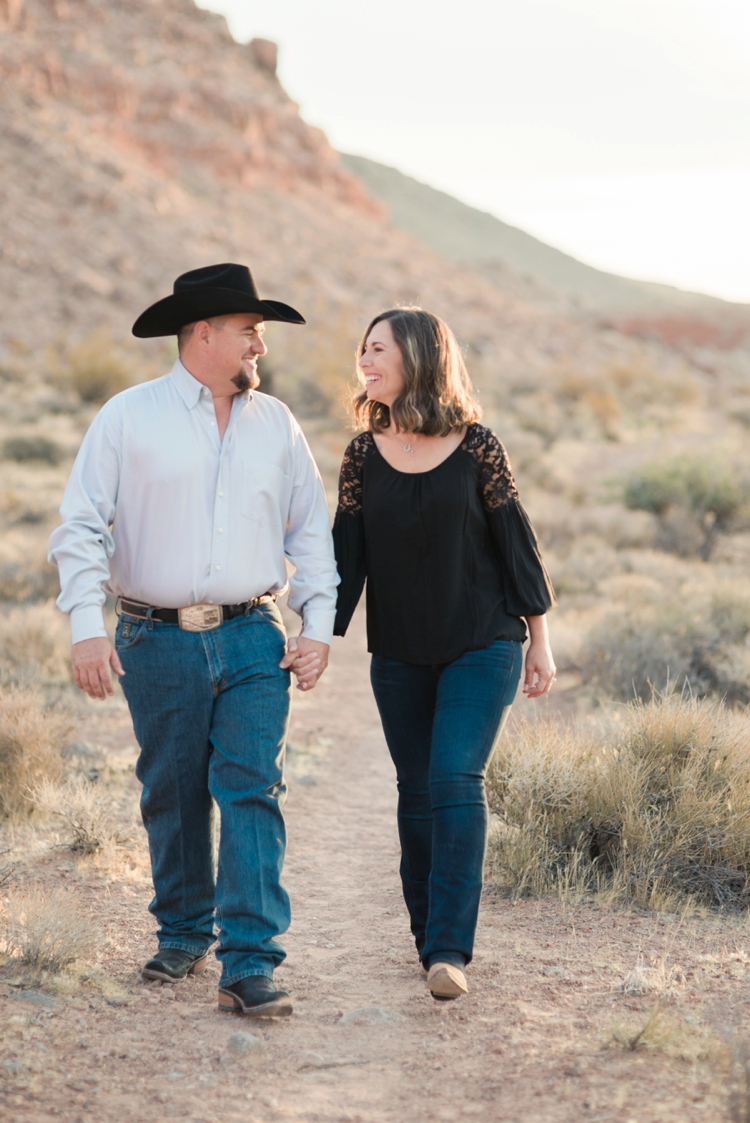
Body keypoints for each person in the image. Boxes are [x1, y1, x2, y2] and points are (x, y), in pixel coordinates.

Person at [48, 263, 338, 1018]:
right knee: (171, 794)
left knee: (252, 789)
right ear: (203, 333)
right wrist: (86, 628)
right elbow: (79, 526)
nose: (259, 349)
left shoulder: (277, 424)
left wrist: (317, 624)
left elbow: (311, 529)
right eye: (250, 333)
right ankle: (183, 928)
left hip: (253, 635)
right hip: (154, 635)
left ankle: (250, 960)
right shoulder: (126, 417)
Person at [332, 308, 556, 1002]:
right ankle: (429, 934)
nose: (365, 359)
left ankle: (450, 950)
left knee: (455, 778)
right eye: (363, 348)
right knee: (416, 789)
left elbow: (516, 543)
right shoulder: (362, 454)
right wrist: (312, 633)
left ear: (419, 357)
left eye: (379, 348)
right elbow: (345, 558)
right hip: (399, 649)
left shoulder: (477, 445)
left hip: (482, 639)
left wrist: (539, 640)